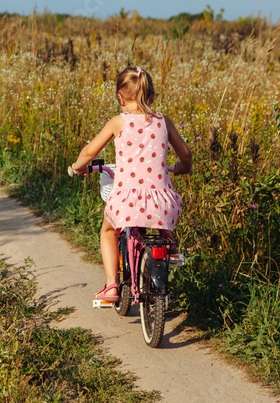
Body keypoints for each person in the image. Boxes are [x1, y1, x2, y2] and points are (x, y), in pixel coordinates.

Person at [69, 66, 192, 305]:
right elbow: (185, 155)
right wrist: (180, 169)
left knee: (108, 231)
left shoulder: (118, 122)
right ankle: (172, 249)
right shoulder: (163, 122)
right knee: (160, 216)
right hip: (162, 201)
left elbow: (89, 151)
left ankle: (112, 286)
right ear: (152, 96)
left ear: (120, 97)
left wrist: (78, 166)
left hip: (127, 201)